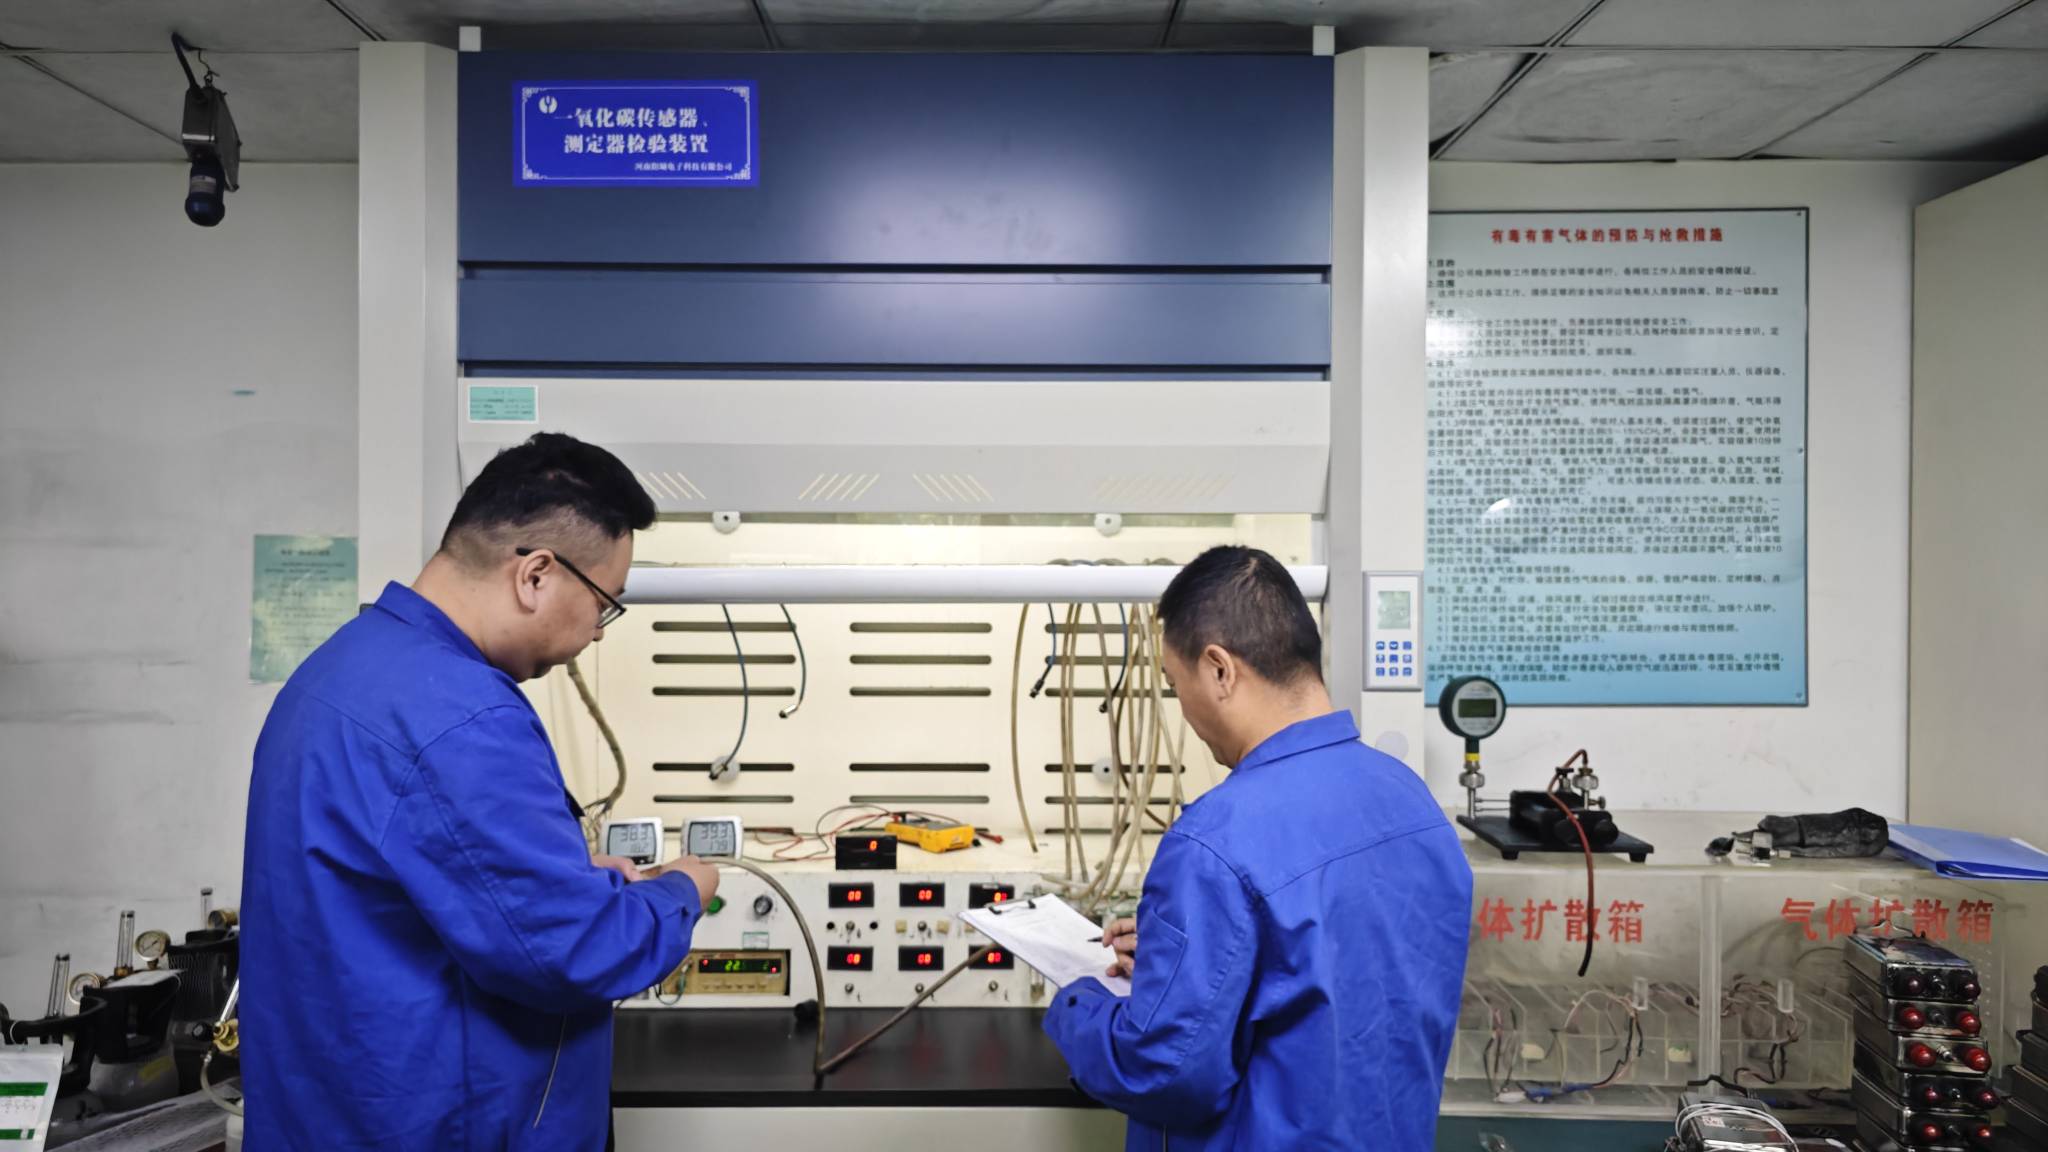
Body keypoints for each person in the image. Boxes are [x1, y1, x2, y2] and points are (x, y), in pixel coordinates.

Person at [240, 433, 718, 1150]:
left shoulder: (339, 671)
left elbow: (409, 885)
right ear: (536, 574)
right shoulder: (463, 715)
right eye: (604, 604)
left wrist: (567, 879)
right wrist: (682, 890)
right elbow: (575, 952)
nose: (597, 633)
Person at [1043, 545, 1472, 1150]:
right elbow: (1345, 978)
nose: (1183, 709)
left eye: (1175, 683)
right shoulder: (1412, 802)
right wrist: (1181, 961)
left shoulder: (1214, 840)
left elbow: (1163, 1072)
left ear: (1219, 669)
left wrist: (1076, 1002)